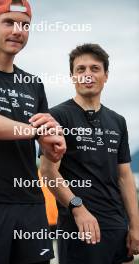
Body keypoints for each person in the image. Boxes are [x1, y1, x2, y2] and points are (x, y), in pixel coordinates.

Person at [0, 0, 66, 264]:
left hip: (30, 205)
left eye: (24, 25)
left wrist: (54, 143)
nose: (17, 31)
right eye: (8, 22)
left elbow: (46, 152)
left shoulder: (33, 84)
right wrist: (35, 131)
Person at [40, 43, 139, 264]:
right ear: (72, 76)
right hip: (79, 227)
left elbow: (124, 176)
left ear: (106, 76)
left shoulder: (118, 121)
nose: (87, 75)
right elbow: (48, 173)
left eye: (94, 69)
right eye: (80, 69)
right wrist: (78, 208)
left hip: (117, 226)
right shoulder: (56, 116)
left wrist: (134, 226)